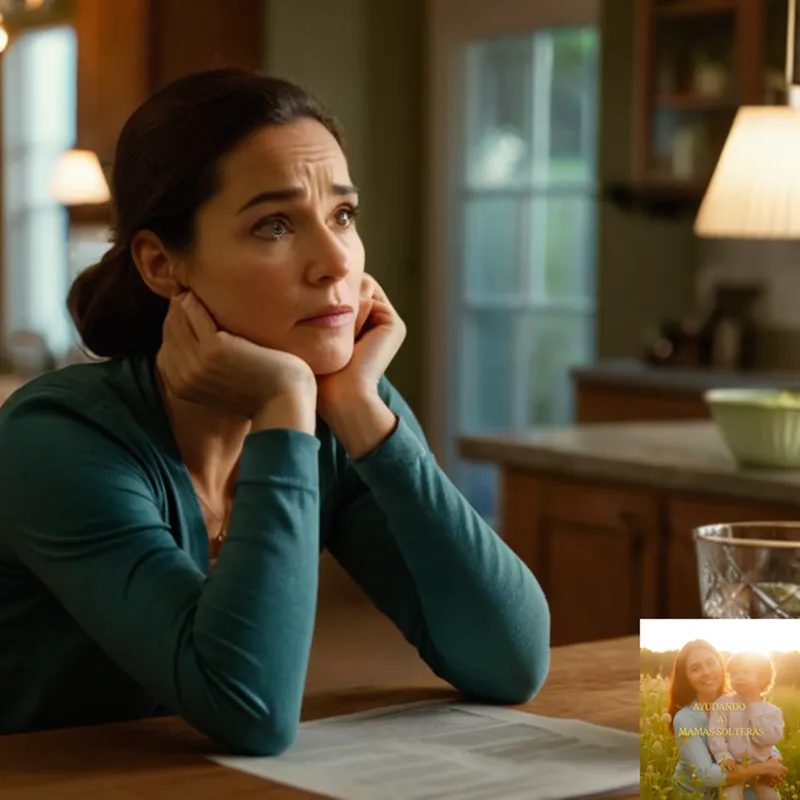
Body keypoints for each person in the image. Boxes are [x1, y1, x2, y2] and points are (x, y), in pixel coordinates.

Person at [0, 69, 550, 755]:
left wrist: (364, 412)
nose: (333, 260)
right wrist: (286, 404)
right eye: (275, 224)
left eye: (343, 215)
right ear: (162, 265)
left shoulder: (337, 408)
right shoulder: (56, 439)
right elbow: (247, 710)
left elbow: (511, 661)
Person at [668, 640, 786, 798]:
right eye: (695, 669)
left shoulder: (738, 701)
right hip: (699, 793)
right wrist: (765, 768)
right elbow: (706, 774)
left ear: (721, 665)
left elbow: (758, 737)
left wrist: (775, 758)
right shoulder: (686, 718)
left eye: (711, 663)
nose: (706, 672)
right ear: (686, 677)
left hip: (740, 783)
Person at [708, 652, 785, 800]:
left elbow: (767, 739)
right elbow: (715, 732)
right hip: (734, 766)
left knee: (771, 796)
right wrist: (723, 757)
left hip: (763, 769)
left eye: (745, 672)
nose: (739, 677)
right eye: (734, 674)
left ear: (762, 678)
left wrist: (754, 706)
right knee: (729, 796)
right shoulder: (723, 703)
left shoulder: (773, 712)